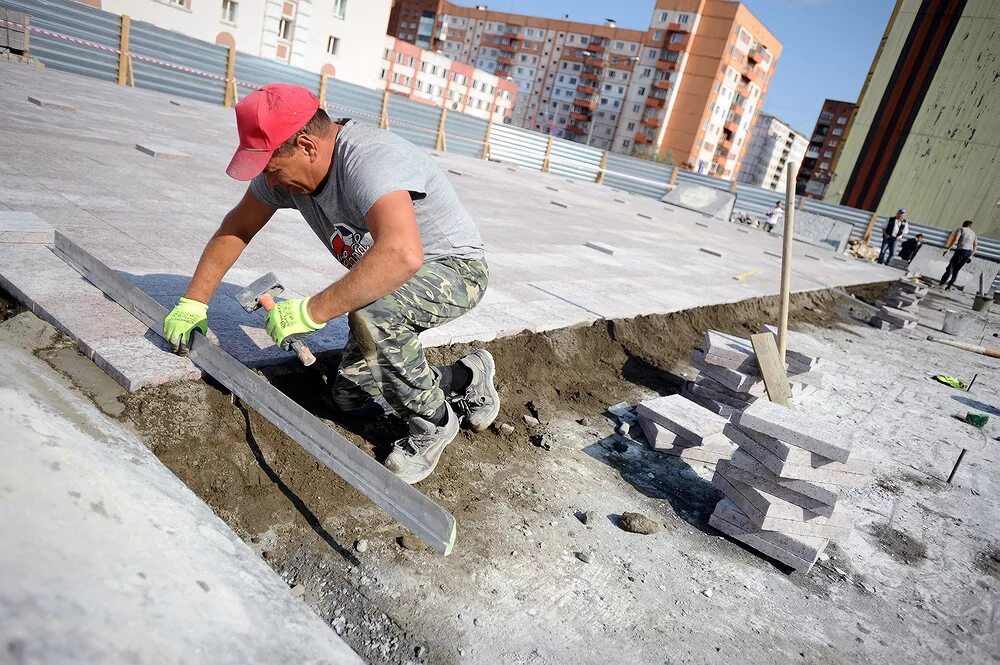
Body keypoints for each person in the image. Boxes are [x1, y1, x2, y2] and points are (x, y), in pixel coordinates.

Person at [161, 84, 498, 484]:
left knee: (375, 316)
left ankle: (435, 421)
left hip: (455, 270)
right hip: (396, 277)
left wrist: (309, 311)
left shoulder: (369, 160)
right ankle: (465, 377)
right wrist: (194, 303)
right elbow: (238, 226)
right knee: (348, 396)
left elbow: (402, 254)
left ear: (306, 146)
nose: (273, 182)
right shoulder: (285, 173)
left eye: (273, 168)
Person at [940, 220, 978, 290]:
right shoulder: (974, 233)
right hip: (969, 252)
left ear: (964, 224)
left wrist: (948, 249)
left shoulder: (961, 229)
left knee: (951, 267)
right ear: (970, 226)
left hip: (961, 250)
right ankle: (949, 286)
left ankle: (942, 283)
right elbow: (975, 246)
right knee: (957, 269)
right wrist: (971, 256)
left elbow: (956, 240)